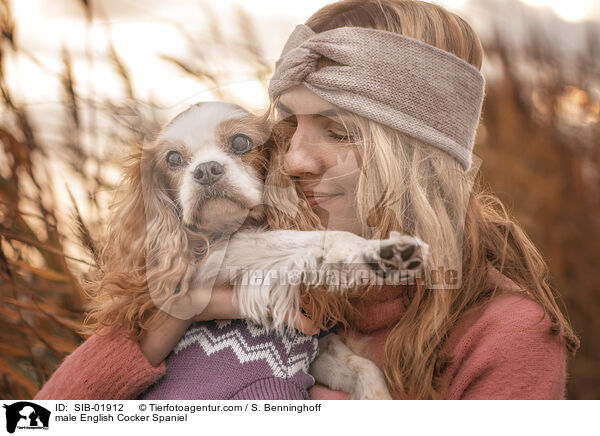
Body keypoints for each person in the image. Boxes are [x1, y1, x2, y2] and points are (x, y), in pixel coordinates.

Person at [35, 0, 579, 400]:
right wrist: (178, 315)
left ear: (419, 157)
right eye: (289, 126)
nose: (293, 159)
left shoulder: (504, 335)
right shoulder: (223, 273)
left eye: (338, 132)